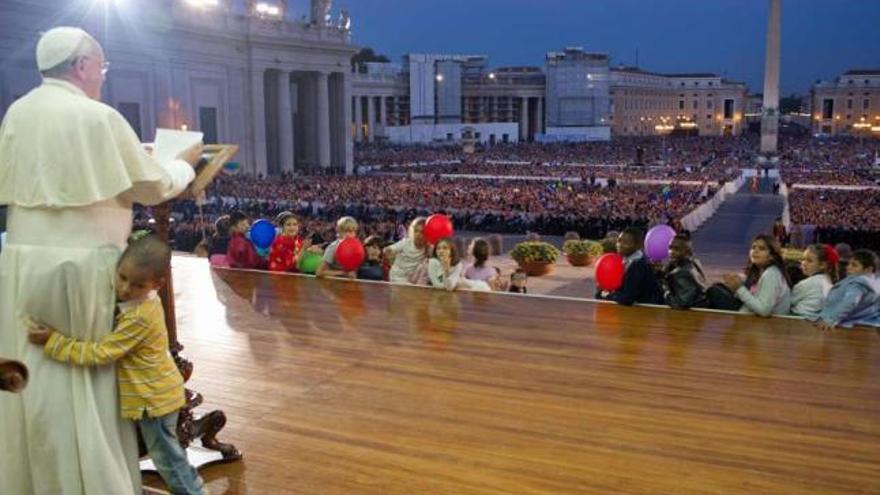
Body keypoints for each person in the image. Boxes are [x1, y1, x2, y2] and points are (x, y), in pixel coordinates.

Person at [0, 27, 200, 494]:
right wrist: (185, 162)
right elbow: (152, 185)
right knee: (83, 385)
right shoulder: (97, 117)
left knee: (31, 381)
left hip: (20, 262)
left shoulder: (16, 113)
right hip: (81, 267)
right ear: (83, 65)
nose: (102, 79)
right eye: (102, 70)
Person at [26, 235, 204, 494]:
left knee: (168, 461)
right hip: (157, 394)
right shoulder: (141, 303)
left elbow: (101, 354)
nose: (124, 289)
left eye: (137, 284)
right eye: (122, 277)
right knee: (170, 454)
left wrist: (54, 341)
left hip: (153, 401)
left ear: (158, 283)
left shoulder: (140, 317)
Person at [808, 249, 880, 330]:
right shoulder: (875, 283)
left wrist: (830, 320)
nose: (848, 267)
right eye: (849, 264)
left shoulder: (857, 283)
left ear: (868, 269)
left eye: (854, 265)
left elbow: (850, 302)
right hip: (867, 326)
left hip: (846, 327)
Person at [722, 234, 792, 317]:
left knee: (714, 291)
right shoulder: (759, 272)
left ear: (772, 256)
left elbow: (764, 310)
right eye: (753, 247)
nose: (755, 251)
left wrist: (739, 289)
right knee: (719, 287)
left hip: (769, 325)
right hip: (749, 315)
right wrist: (735, 286)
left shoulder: (771, 274)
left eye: (761, 249)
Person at [596, 227, 663, 306]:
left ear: (638, 245)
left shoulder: (638, 265)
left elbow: (627, 298)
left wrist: (605, 295)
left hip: (645, 310)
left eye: (626, 242)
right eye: (619, 241)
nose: (620, 245)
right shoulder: (624, 260)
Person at [662, 235, 708, 309]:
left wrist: (666, 292)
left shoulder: (682, 273)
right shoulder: (695, 262)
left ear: (687, 252)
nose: (671, 252)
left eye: (677, 249)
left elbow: (680, 303)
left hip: (692, 315)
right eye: (670, 248)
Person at [790, 244, 837, 317]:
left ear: (822, 265)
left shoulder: (807, 284)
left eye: (809, 261)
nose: (803, 263)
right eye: (803, 259)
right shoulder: (828, 281)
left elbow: (789, 301)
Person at [385, 217, 430, 284]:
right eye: (416, 231)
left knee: (427, 264)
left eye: (422, 232)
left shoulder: (428, 247)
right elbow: (388, 249)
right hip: (397, 277)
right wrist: (390, 256)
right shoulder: (406, 242)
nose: (418, 234)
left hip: (413, 278)